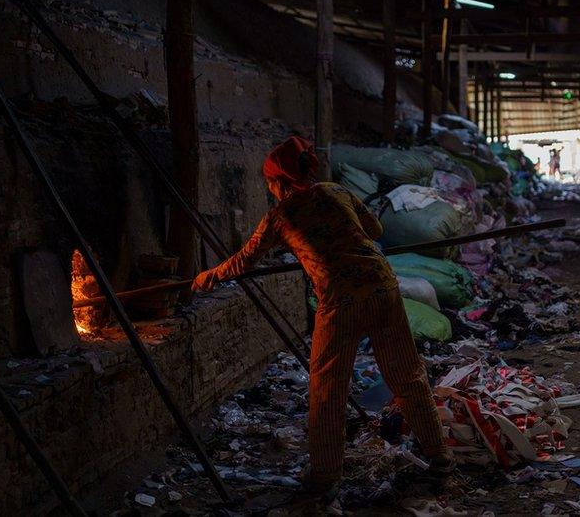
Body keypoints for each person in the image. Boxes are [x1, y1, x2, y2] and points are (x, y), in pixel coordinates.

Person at [192, 136, 454, 494]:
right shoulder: (336, 191)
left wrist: (207, 277)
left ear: (277, 181)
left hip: (341, 302)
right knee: (407, 376)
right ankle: (440, 459)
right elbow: (375, 231)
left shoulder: (280, 216)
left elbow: (243, 262)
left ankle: (326, 476)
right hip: (382, 288)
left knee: (328, 389)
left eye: (269, 182)